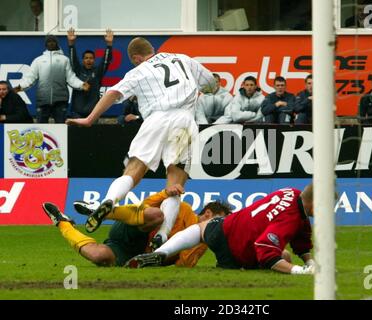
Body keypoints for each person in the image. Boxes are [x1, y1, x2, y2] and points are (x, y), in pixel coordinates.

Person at [66, 37, 216, 251]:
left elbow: (113, 93)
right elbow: (212, 83)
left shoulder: (138, 71)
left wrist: (90, 119)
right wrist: (204, 90)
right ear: (151, 50)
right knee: (175, 182)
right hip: (185, 120)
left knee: (134, 170)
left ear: (136, 58)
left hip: (155, 119)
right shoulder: (182, 59)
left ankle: (108, 201)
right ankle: (163, 235)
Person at [127, 184, 316, 275]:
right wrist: (301, 270)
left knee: (202, 228)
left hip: (227, 227)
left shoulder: (291, 192)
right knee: (282, 258)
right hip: (237, 249)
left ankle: (160, 251)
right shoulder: (289, 218)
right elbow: (266, 251)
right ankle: (161, 253)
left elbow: (301, 234)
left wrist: (310, 261)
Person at [42, 184, 231, 267]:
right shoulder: (184, 209)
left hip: (135, 253)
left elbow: (182, 264)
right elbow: (147, 205)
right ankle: (103, 211)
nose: (219, 226)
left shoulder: (203, 242)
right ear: (207, 214)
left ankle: (62, 222)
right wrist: (166, 192)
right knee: (156, 215)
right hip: (136, 228)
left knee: (99, 256)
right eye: (218, 220)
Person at [14, 35, 90, 123]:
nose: (51, 43)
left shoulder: (64, 60)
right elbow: (30, 78)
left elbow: (71, 78)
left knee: (61, 128)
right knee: (41, 129)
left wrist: (81, 85)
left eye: (53, 41)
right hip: (42, 100)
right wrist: (20, 87)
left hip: (60, 101)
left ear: (57, 43)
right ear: (46, 44)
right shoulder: (38, 60)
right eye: (48, 42)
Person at [67, 28, 114, 119]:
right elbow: (73, 59)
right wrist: (71, 44)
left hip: (93, 113)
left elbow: (106, 61)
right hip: (77, 112)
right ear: (83, 60)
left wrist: (109, 45)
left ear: (94, 60)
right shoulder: (78, 70)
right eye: (86, 58)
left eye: (91, 58)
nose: (89, 60)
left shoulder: (97, 72)